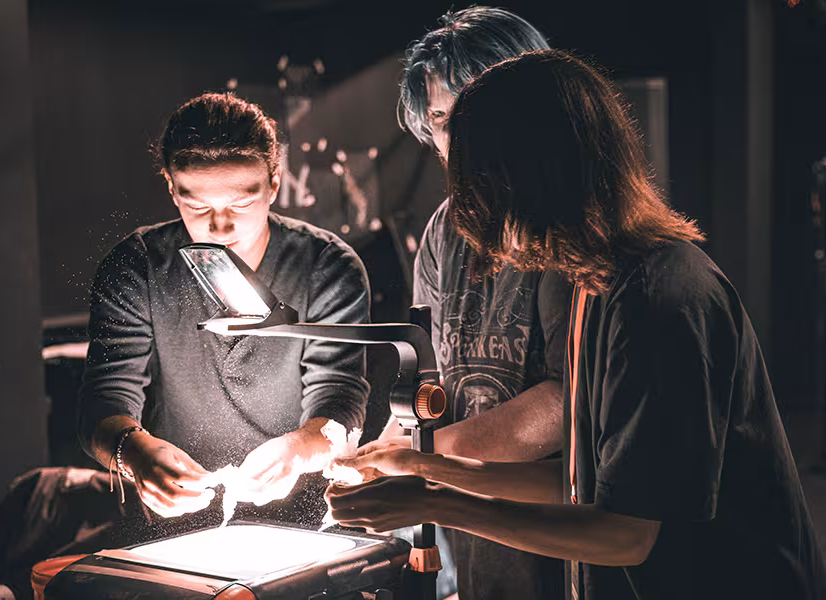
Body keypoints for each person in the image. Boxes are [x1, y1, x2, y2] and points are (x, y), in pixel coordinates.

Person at [327, 50, 826, 600]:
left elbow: (624, 532)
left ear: (530, 178)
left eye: (480, 189)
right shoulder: (598, 283)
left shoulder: (658, 301)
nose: (477, 220)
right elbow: (579, 482)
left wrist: (433, 500)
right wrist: (423, 467)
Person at [78, 92, 370, 537]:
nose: (220, 227)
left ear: (274, 184)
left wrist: (298, 449)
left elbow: (340, 394)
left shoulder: (327, 267)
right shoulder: (137, 266)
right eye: (199, 207)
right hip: (174, 528)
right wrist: (133, 453)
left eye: (240, 204)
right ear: (173, 189)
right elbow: (104, 399)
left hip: (307, 527)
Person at [379, 7, 570, 600]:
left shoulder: (569, 221)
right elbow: (431, 390)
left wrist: (418, 458)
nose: (457, 134)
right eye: (439, 117)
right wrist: (382, 449)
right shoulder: (443, 231)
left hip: (567, 542)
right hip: (478, 551)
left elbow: (571, 401)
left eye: (472, 107)